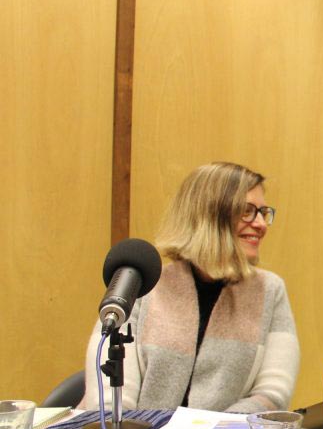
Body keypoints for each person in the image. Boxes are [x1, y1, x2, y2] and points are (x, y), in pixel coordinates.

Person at [82, 162, 299, 414]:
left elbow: (273, 393)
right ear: (207, 214)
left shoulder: (270, 291)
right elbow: (110, 400)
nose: (261, 224)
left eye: (263, 212)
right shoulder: (144, 285)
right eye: (247, 211)